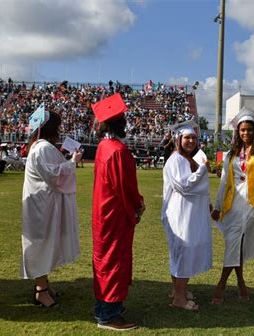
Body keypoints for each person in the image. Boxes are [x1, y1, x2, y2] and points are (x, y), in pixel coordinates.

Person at [211, 108, 254, 303]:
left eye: (249, 130)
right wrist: (217, 206)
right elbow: (224, 181)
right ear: (237, 132)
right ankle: (241, 282)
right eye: (242, 130)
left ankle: (221, 285)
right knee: (235, 243)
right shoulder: (231, 154)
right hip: (232, 203)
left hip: (252, 203)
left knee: (235, 242)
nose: (246, 133)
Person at [91, 93, 145, 331]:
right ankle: (108, 315)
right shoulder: (117, 150)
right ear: (117, 123)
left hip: (103, 214)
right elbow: (126, 188)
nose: (126, 123)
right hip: (115, 215)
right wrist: (137, 206)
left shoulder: (103, 147)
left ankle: (105, 307)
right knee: (114, 261)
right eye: (123, 119)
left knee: (105, 260)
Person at [21, 107, 82, 308]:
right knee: (41, 245)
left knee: (45, 244)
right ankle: (41, 291)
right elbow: (55, 176)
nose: (60, 129)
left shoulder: (40, 146)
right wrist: (73, 162)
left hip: (42, 203)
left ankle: (44, 285)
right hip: (41, 206)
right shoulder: (43, 148)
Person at [161, 119, 212, 311]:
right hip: (181, 214)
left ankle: (178, 291)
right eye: (187, 138)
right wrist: (202, 170)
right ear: (178, 139)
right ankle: (179, 299)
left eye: (193, 138)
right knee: (183, 253)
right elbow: (184, 185)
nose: (191, 141)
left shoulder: (187, 159)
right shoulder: (176, 160)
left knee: (181, 253)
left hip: (189, 213)